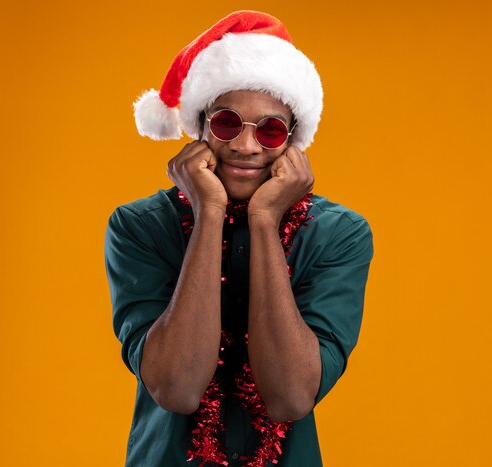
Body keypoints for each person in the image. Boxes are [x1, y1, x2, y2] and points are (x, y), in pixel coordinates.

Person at [104, 10, 374, 467]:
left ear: (293, 142)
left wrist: (265, 220)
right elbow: (177, 387)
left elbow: (289, 398)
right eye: (228, 123)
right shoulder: (138, 226)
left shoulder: (339, 235)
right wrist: (209, 212)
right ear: (201, 127)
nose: (246, 146)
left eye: (269, 130)